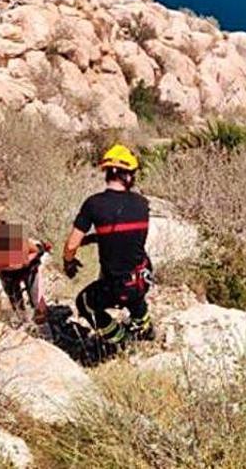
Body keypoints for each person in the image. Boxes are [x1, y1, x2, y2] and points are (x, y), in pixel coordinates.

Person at [61, 144, 154, 345]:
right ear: (127, 176)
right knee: (133, 290)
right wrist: (97, 238)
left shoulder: (93, 204)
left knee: (84, 302)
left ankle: (120, 340)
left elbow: (70, 245)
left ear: (108, 173)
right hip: (143, 279)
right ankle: (144, 326)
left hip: (116, 285)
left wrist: (68, 262)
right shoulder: (142, 203)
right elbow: (128, 239)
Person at [0, 220, 50, 323]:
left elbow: (36, 251)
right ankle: (25, 324)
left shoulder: (20, 242)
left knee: (38, 304)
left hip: (28, 270)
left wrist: (26, 261)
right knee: (18, 307)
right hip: (7, 275)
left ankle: (45, 328)